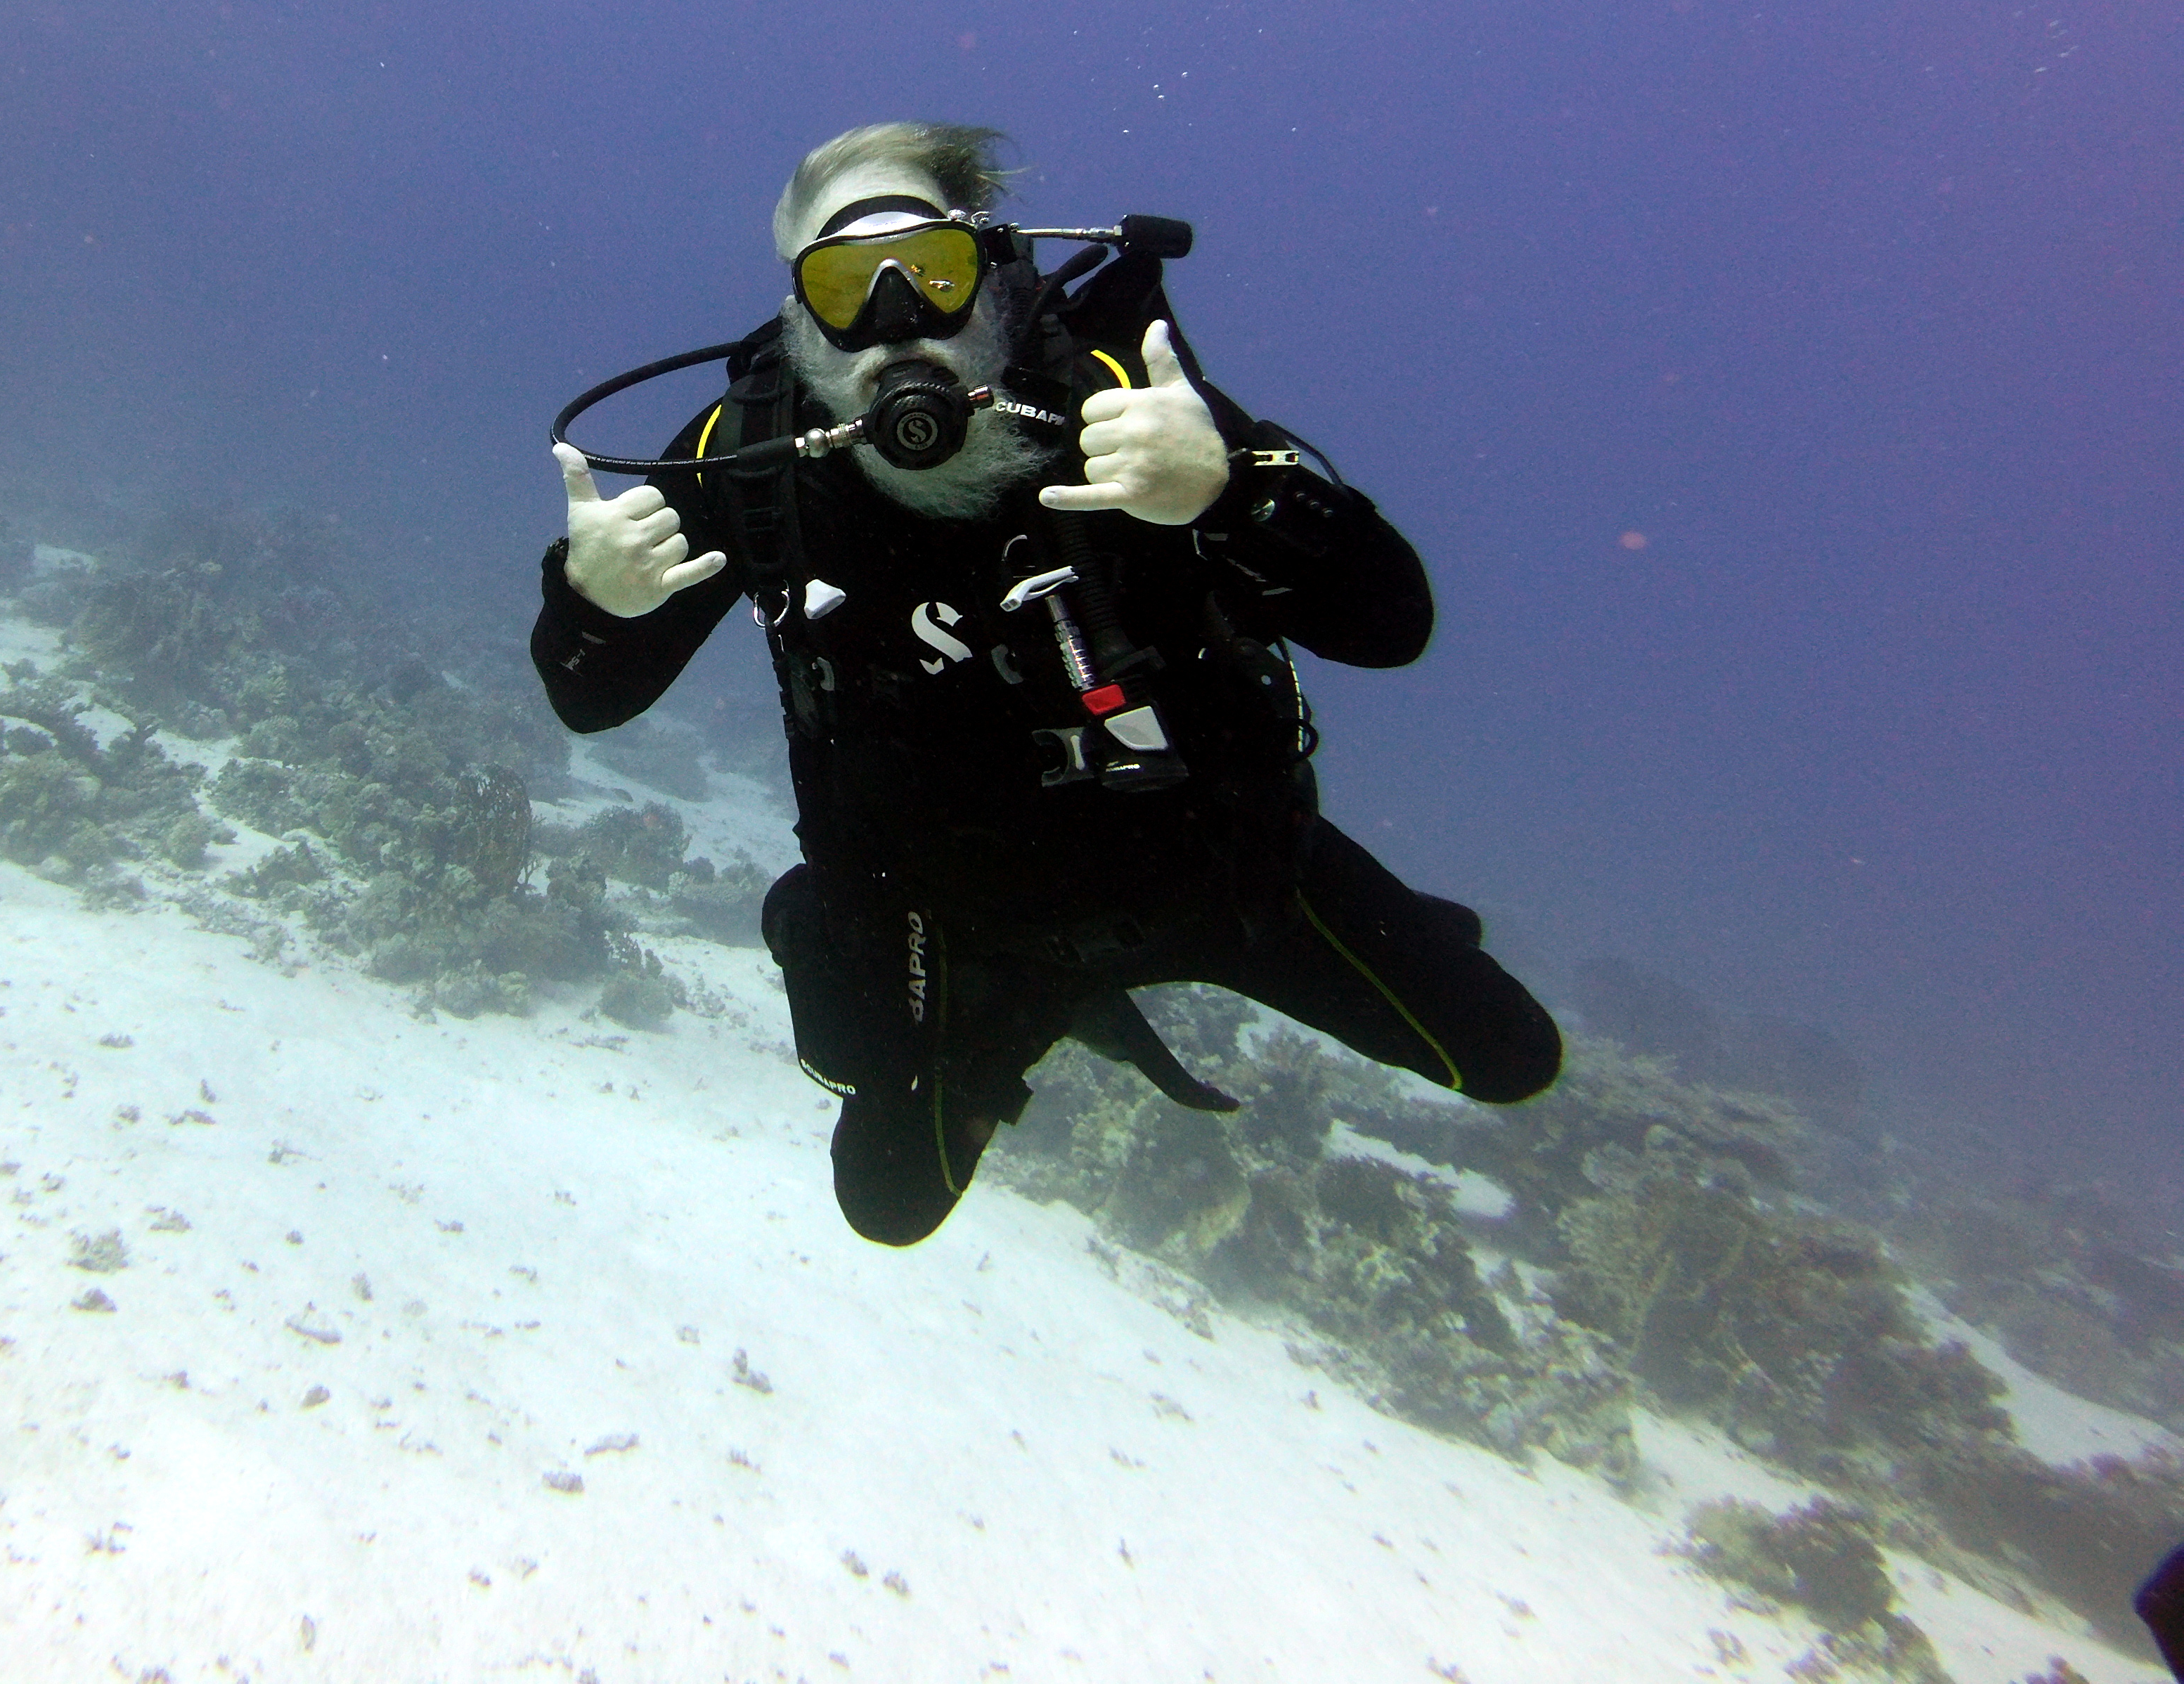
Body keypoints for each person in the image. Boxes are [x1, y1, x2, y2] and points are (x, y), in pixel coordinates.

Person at [531, 122, 1562, 1246]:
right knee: (886, 1204)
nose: (896, 322)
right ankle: (874, 947)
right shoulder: (748, 454)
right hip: (963, 923)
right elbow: (591, 700)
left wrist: (1232, 493)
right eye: (844, 285)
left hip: (1226, 865)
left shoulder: (1120, 398)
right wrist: (592, 603)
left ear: (992, 270)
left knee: (1513, 1058)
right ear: (798, 313)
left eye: (932, 273)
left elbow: (1392, 626)